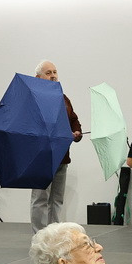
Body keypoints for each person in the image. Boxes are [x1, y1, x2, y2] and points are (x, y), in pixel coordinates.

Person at [29, 60, 82, 232]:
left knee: (57, 199)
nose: (53, 76)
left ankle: (54, 235)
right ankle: (40, 236)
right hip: (42, 156)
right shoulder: (33, 98)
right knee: (40, 198)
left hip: (62, 156)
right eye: (48, 73)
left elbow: (73, 119)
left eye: (55, 72)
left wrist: (77, 132)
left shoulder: (63, 98)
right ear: (38, 77)